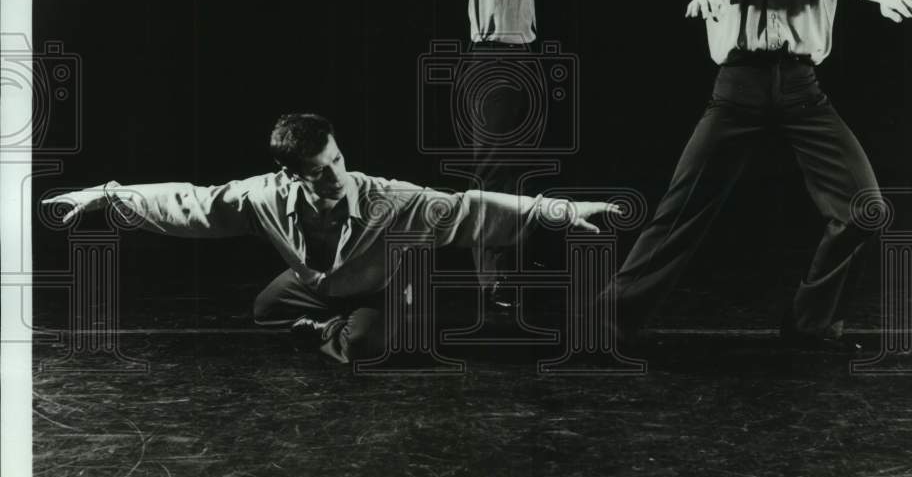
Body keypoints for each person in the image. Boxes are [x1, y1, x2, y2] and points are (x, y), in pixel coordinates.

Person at [598, 0, 912, 353]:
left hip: (803, 91)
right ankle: (605, 326)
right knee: (678, 212)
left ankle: (810, 325)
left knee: (864, 208)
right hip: (738, 88)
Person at [44, 113, 622, 363]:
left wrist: (564, 211)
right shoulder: (264, 196)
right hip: (316, 288)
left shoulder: (389, 199)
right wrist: (104, 194)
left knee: (372, 348)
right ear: (292, 173)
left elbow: (473, 210)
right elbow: (191, 204)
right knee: (264, 308)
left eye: (338, 159)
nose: (336, 173)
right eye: (320, 169)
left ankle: (356, 328)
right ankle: (323, 326)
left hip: (379, 287)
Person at [464, 0, 672, 310]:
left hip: (509, 62)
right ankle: (494, 281)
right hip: (499, 66)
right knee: (498, 174)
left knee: (514, 172)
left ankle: (508, 271)